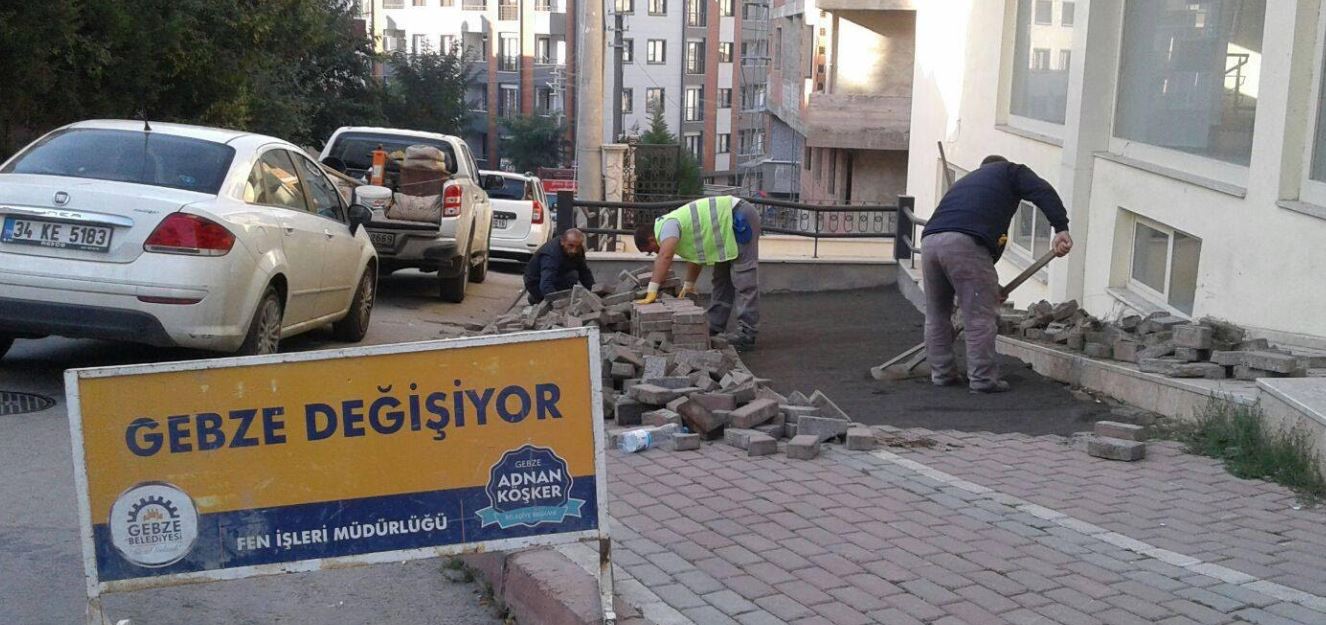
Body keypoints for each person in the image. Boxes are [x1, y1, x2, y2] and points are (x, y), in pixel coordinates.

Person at [921, 155, 1073, 393]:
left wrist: (989, 288)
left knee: (937, 314)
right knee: (979, 318)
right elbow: (1043, 191)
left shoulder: (968, 182)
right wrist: (1061, 227)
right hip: (965, 241)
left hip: (930, 242)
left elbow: (984, 256)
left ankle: (941, 374)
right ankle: (982, 380)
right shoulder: (1011, 172)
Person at [633, 195, 760, 349]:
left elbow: (665, 256)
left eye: (651, 251)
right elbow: (696, 257)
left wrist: (652, 290)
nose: (654, 253)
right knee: (721, 280)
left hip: (739, 215)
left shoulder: (668, 226)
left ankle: (747, 333)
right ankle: (715, 325)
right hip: (726, 228)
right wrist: (689, 284)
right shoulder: (674, 229)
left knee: (744, 277)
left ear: (652, 239)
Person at [524, 228, 594, 304]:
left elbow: (584, 273)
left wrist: (595, 292)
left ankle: (544, 298)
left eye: (577, 247)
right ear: (562, 242)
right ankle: (538, 298)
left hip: (557, 275)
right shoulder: (551, 255)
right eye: (571, 246)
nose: (574, 250)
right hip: (536, 282)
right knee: (570, 278)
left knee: (573, 276)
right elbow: (546, 283)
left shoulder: (577, 250)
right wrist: (558, 304)